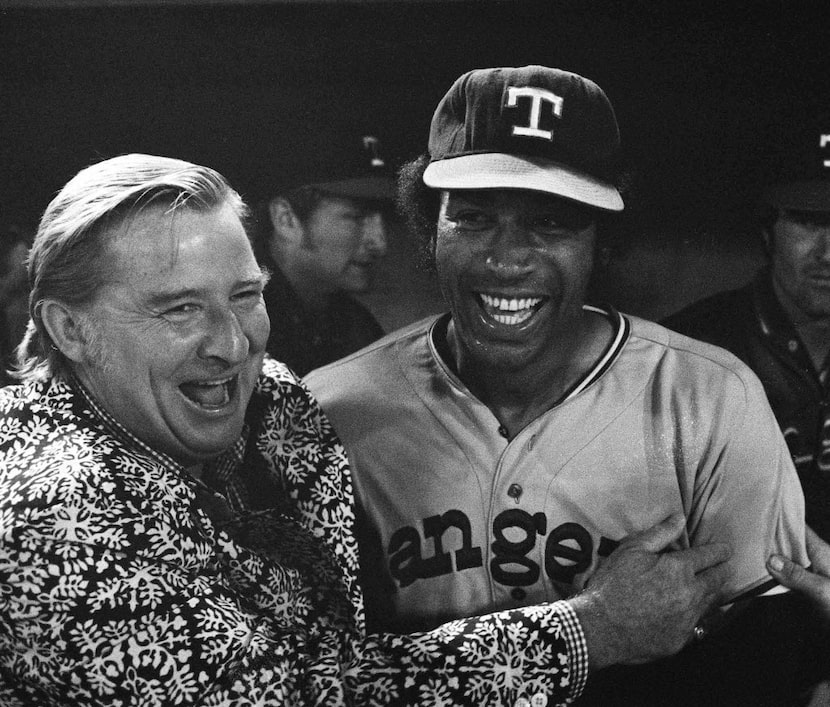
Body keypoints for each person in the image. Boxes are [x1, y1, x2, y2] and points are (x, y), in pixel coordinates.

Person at [0, 153, 734, 706]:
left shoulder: (274, 403)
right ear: (71, 328)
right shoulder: (50, 507)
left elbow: (336, 648)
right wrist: (588, 630)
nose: (232, 343)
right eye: (178, 309)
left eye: (245, 295)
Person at [303, 66, 810, 703]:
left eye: (552, 223)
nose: (508, 258)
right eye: (475, 217)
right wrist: (596, 628)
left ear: (603, 243)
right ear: (429, 229)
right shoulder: (328, 411)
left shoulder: (709, 397)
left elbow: (765, 649)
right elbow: (305, 677)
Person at [662, 117, 830, 705]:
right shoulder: (691, 349)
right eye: (809, 221)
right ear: (768, 231)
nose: (829, 251)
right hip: (725, 655)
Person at [252, 134, 394, 376]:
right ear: (285, 219)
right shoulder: (242, 325)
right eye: (356, 218)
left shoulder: (354, 326)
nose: (380, 243)